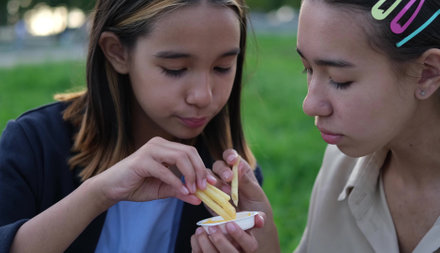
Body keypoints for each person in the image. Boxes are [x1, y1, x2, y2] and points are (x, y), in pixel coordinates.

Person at [0, 0, 271, 252]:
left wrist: (261, 230)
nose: (203, 96)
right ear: (117, 52)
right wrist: (98, 194)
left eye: (222, 67)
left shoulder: (230, 179)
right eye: (175, 68)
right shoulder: (34, 144)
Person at [191, 0, 440, 252]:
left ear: (427, 72)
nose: (309, 105)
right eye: (308, 69)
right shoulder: (340, 166)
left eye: (340, 80)